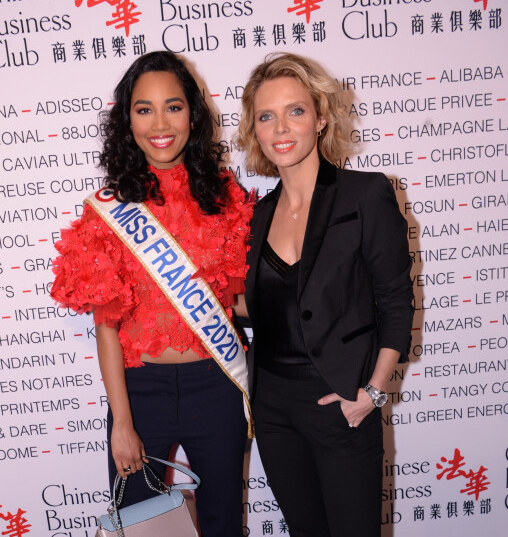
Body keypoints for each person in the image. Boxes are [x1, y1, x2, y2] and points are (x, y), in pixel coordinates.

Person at [50, 51, 253, 537]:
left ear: (193, 113)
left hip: (216, 385)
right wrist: (122, 421)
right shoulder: (111, 210)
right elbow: (106, 326)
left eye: (173, 106)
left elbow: (241, 300)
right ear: (128, 120)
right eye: (144, 109)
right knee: (145, 528)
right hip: (140, 395)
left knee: (225, 523)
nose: (160, 123)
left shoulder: (226, 200)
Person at [235, 53, 414, 537]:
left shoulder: (365, 194)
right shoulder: (255, 216)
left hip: (342, 405)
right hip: (273, 409)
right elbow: (268, 306)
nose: (281, 128)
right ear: (254, 129)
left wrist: (372, 393)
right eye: (266, 116)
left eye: (295, 110)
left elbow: (396, 300)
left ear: (321, 117)